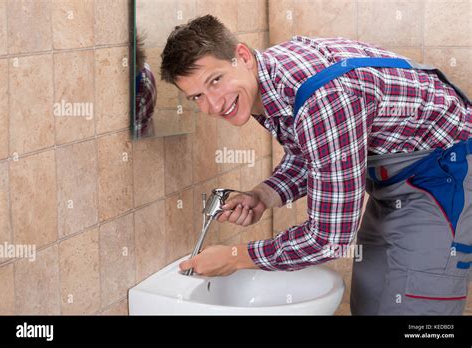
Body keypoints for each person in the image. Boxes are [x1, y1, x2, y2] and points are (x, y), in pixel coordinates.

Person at [160, 15, 471, 315]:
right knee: (370, 299)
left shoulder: (323, 97)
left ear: (242, 56)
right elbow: (316, 150)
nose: (214, 105)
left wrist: (235, 256)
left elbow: (330, 239)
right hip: (394, 181)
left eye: (216, 80)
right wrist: (264, 195)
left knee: (416, 309)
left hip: (447, 176)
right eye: (197, 96)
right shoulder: (269, 79)